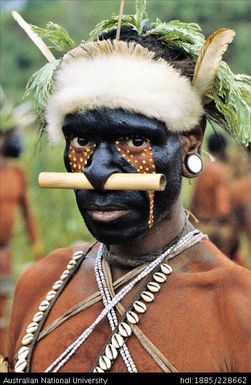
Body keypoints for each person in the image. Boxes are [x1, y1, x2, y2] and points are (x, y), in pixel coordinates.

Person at [5, 3, 251, 373]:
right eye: (83, 140)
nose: (98, 170)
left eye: (136, 140)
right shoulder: (40, 284)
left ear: (190, 141)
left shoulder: (237, 307)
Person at [0, 91, 42, 358]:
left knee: (2, 302)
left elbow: (27, 211)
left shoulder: (17, 173)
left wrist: (37, 245)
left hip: (4, 250)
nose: (12, 140)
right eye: (7, 134)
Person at [189, 132, 233, 256]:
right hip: (216, 232)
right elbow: (223, 209)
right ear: (224, 148)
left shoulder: (202, 169)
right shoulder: (221, 171)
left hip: (201, 228)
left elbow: (193, 204)